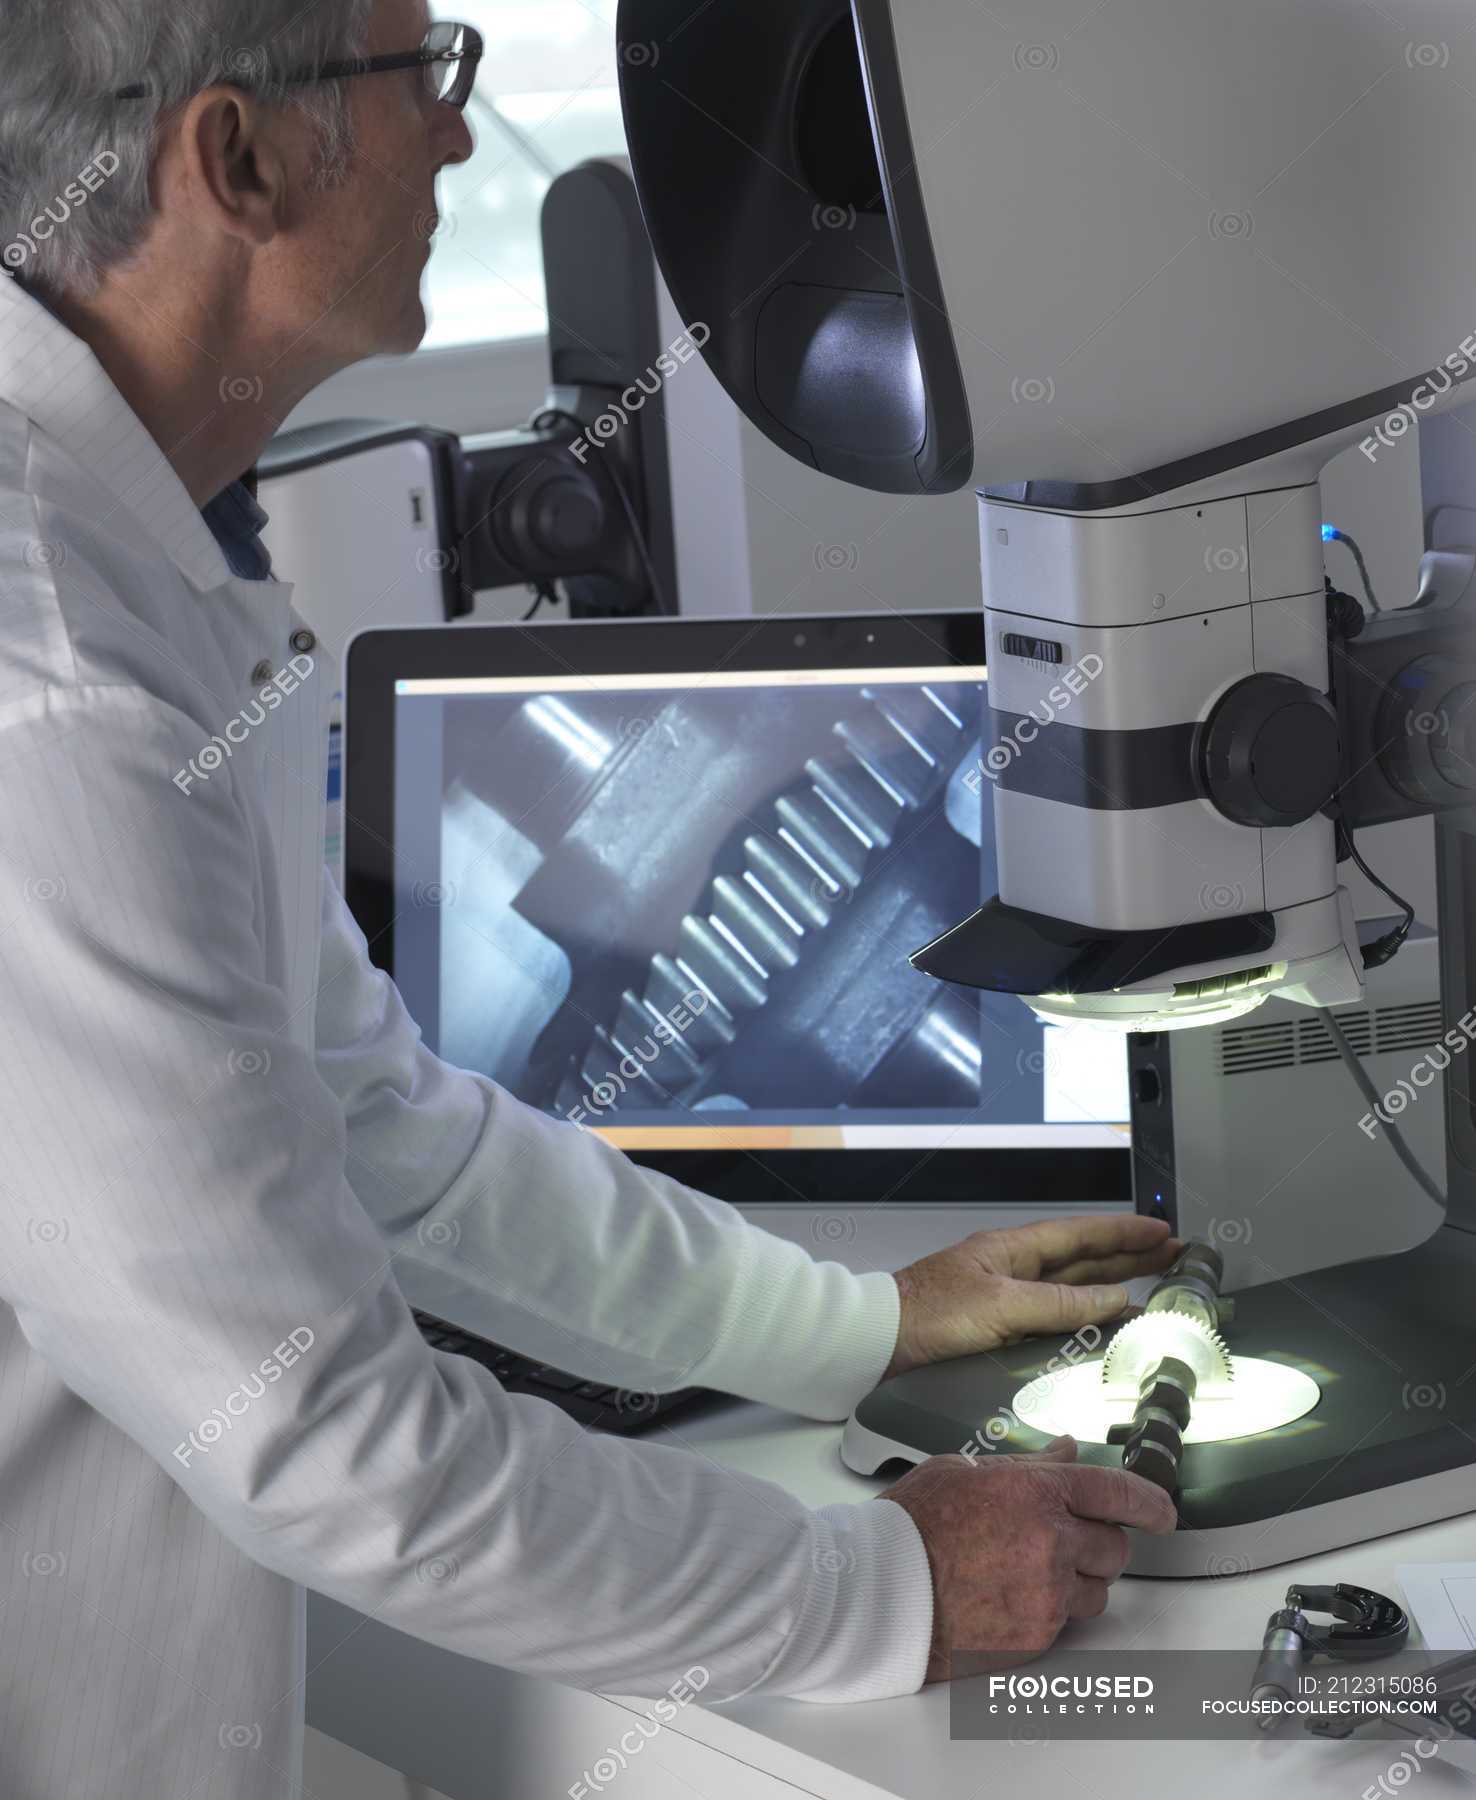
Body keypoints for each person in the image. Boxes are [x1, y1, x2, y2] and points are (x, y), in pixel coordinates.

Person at [0, 2, 1179, 1793]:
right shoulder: (61, 687)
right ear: (233, 161)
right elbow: (321, 1434)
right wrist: (876, 1584)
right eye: (425, 79)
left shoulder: (131, 549)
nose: (465, 142)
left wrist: (848, 1325)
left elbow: (373, 1120)